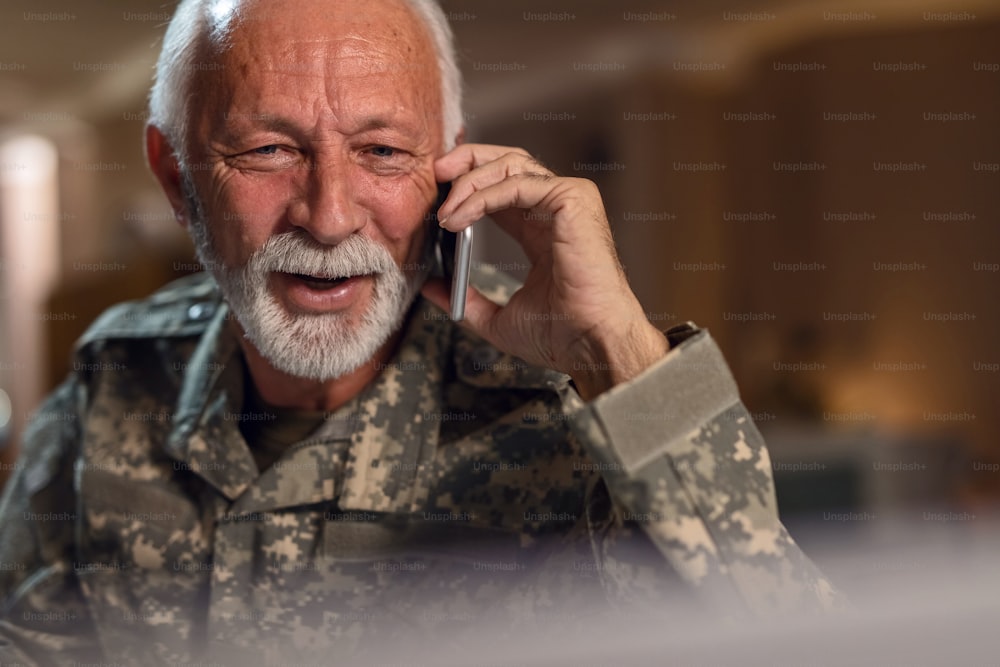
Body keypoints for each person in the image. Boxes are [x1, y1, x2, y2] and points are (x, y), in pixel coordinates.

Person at [0, 0, 842, 664]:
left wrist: (617, 354)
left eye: (382, 152)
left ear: (451, 168)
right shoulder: (118, 373)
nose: (329, 218)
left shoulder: (580, 412)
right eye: (267, 149)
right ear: (177, 178)